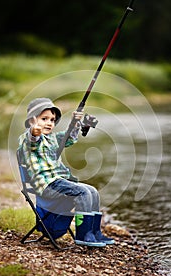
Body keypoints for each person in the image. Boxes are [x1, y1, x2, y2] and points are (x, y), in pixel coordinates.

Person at [18, 97, 114, 247]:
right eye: (44, 119)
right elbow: (32, 139)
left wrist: (75, 122)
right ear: (32, 121)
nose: (49, 123)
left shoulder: (52, 138)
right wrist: (34, 132)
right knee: (82, 192)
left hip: (58, 182)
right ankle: (83, 235)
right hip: (47, 185)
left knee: (93, 191)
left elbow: (70, 137)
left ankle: (95, 232)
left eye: (52, 120)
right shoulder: (27, 140)